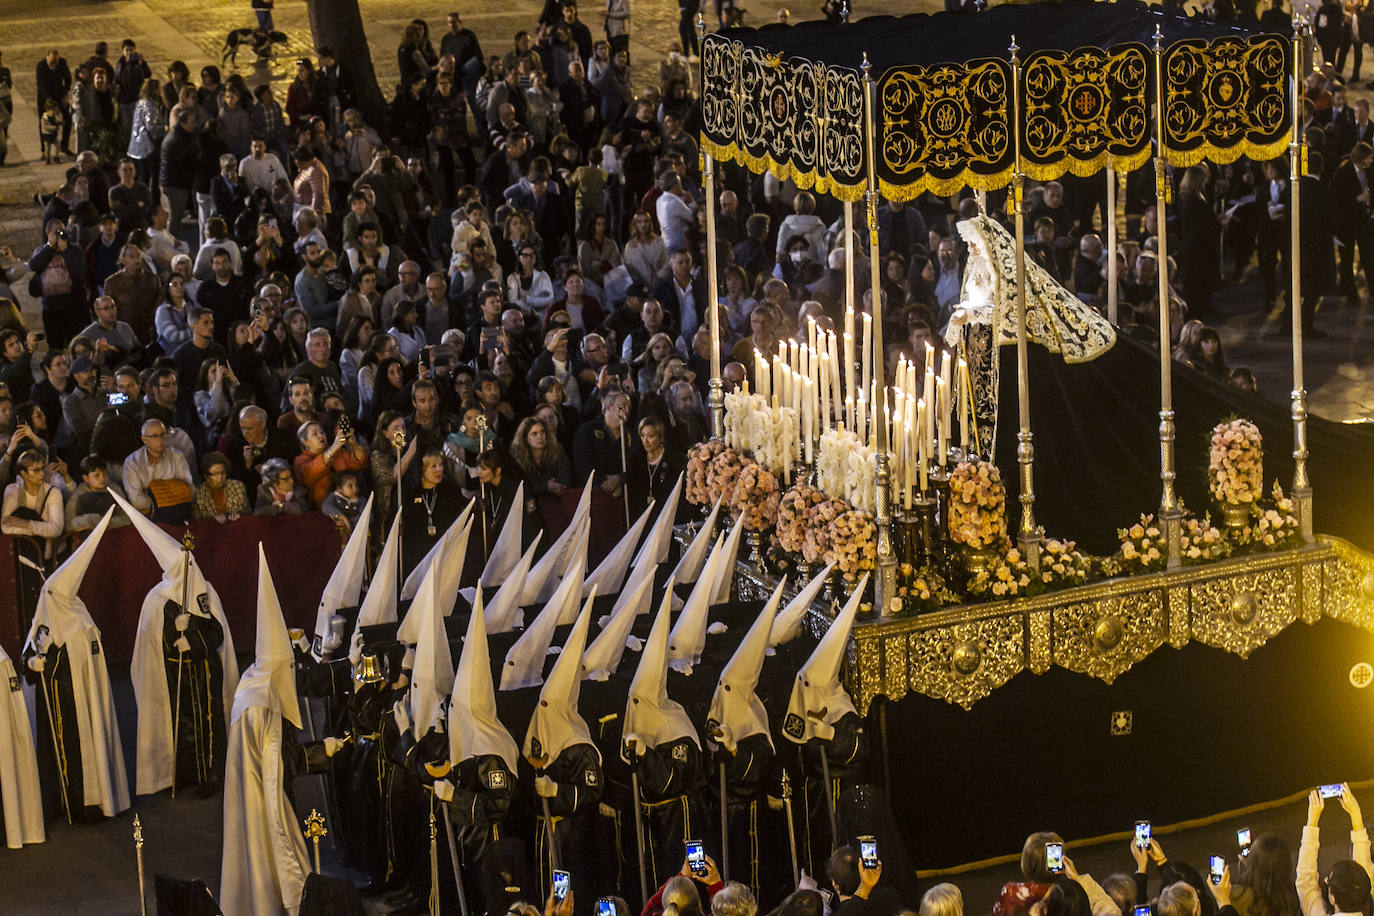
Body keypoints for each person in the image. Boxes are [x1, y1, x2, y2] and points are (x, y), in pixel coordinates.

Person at [221, 549, 340, 916]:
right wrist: (324, 751)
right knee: (273, 853)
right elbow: (277, 769)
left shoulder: (252, 684)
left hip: (248, 792)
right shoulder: (265, 706)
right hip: (264, 798)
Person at [21, 510, 129, 824]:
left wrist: (48, 663)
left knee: (78, 752)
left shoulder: (80, 625)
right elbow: (30, 648)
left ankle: (85, 801)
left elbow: (72, 669)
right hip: (52, 707)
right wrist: (32, 661)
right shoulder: (47, 612)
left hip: (75, 708)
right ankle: (58, 800)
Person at [401, 446, 461, 575]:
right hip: (419, 555)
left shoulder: (451, 491)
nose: (439, 469)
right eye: (433, 466)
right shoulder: (411, 495)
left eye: (440, 465)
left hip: (445, 551)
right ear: (422, 470)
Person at [123, 418, 194, 522]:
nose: (160, 440)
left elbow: (188, 489)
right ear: (144, 439)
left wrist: (154, 494)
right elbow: (137, 500)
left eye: (163, 435)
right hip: (149, 518)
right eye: (154, 436)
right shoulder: (132, 462)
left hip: (178, 515)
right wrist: (172, 492)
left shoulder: (177, 456)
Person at [293, 419, 367, 508]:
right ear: (304, 441)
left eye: (322, 432)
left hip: (349, 503)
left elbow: (359, 464)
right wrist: (332, 450)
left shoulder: (337, 451)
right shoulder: (300, 460)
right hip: (320, 510)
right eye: (315, 434)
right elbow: (309, 475)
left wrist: (354, 444)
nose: (321, 435)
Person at [194, 451, 249, 521]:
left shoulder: (237, 486)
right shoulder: (199, 494)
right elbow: (197, 522)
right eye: (215, 474)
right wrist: (213, 519)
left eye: (222, 472)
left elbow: (248, 514)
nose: (220, 477)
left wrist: (239, 515)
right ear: (206, 477)